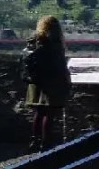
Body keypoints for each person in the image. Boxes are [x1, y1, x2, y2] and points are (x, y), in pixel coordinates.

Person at [21, 16, 71, 151]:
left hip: (35, 82)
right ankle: (46, 143)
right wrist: (66, 79)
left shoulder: (34, 40)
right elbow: (59, 63)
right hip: (51, 82)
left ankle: (35, 141)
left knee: (39, 112)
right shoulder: (53, 41)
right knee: (50, 113)